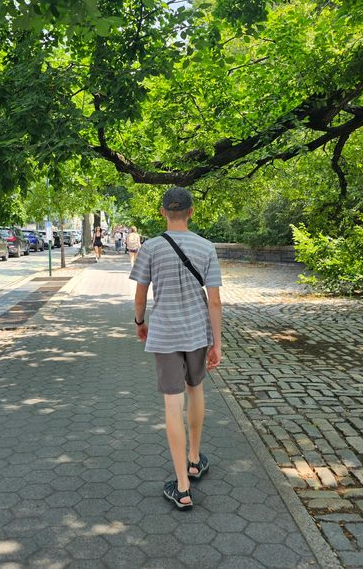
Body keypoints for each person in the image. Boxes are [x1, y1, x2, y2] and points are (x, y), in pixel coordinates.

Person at [129, 187, 223, 511]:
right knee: (195, 390)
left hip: (166, 334)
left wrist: (139, 321)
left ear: (162, 212)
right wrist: (217, 342)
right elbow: (215, 300)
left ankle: (182, 487)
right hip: (197, 332)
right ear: (191, 211)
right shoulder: (206, 247)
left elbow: (140, 297)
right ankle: (195, 460)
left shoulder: (151, 248)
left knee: (173, 405)